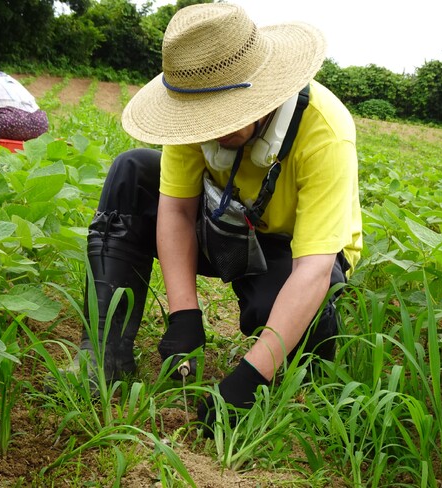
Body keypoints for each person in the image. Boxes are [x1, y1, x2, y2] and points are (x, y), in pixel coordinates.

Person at [74, 3, 362, 433]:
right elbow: (174, 208)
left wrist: (251, 377)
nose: (213, 128)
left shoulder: (324, 130)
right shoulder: (194, 107)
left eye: (227, 116)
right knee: (132, 172)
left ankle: (281, 352)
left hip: (292, 250)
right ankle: (105, 359)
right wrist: (183, 316)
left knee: (301, 329)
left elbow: (314, 267)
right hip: (223, 223)